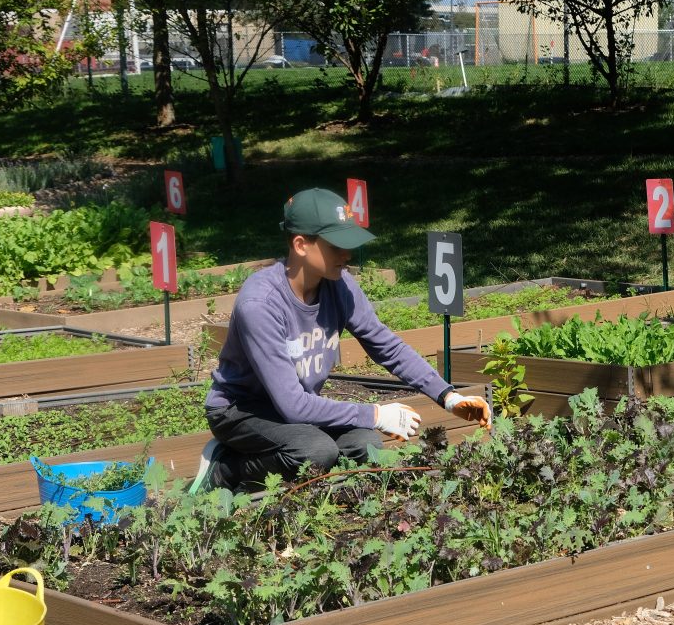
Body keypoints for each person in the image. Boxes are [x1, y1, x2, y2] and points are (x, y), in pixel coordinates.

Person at [189, 188, 491, 494]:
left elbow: (386, 345)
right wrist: (375, 414)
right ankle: (226, 470)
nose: (346, 255)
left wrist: (448, 396)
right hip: (241, 410)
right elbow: (293, 405)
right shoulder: (260, 304)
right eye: (336, 246)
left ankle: (308, 487)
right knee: (315, 451)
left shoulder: (339, 284)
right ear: (300, 245)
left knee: (364, 444)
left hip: (293, 407)